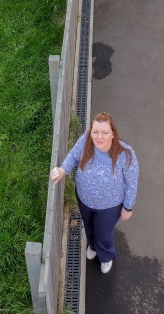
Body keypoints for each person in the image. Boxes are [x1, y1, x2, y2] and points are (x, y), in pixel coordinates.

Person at [50, 111, 139, 274]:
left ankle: (105, 256)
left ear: (113, 134)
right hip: (84, 199)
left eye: (105, 132)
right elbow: (73, 156)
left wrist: (128, 207)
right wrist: (62, 170)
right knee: (89, 226)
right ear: (90, 131)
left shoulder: (125, 155)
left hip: (109, 206)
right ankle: (92, 244)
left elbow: (132, 183)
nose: (99, 137)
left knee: (103, 233)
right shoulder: (86, 140)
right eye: (95, 132)